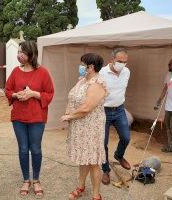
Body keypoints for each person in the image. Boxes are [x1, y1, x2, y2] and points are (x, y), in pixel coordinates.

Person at [5, 41, 54, 197]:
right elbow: (8, 89)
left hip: (37, 118)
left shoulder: (43, 72)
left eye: (23, 53)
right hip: (19, 117)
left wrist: (34, 94)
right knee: (23, 149)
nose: (19, 55)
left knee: (36, 148)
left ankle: (36, 180)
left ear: (31, 54)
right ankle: (26, 179)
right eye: (18, 52)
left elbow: (50, 93)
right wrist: (15, 95)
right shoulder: (15, 72)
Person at [61, 53, 106, 200]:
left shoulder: (97, 83)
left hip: (91, 127)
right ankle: (80, 186)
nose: (80, 67)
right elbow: (72, 97)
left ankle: (96, 195)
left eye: (82, 64)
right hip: (79, 126)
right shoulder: (82, 80)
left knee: (93, 161)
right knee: (83, 157)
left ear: (90, 67)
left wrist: (69, 116)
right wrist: (68, 111)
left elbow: (87, 107)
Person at [99, 48, 131, 185]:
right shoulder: (101, 73)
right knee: (103, 143)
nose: (122, 64)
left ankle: (119, 155)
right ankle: (105, 170)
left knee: (126, 137)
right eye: (119, 61)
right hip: (103, 110)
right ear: (112, 60)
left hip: (119, 110)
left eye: (125, 62)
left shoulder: (127, 72)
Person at [155, 58, 172, 153]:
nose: (169, 66)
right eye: (168, 64)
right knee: (168, 126)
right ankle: (171, 145)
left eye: (170, 64)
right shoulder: (168, 74)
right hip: (169, 105)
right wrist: (159, 101)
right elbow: (165, 88)